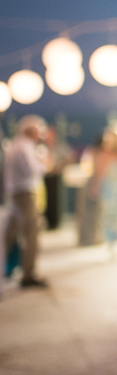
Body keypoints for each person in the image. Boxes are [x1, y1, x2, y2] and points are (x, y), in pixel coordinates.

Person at [3, 115, 48, 289]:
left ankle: (10, 268)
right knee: (31, 233)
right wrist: (43, 164)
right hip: (24, 193)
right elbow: (31, 171)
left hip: (16, 193)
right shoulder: (24, 147)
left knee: (11, 233)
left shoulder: (17, 145)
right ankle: (28, 274)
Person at [89, 129, 117, 250]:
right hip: (108, 189)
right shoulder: (102, 155)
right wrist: (95, 186)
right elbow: (98, 173)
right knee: (108, 216)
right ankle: (110, 242)